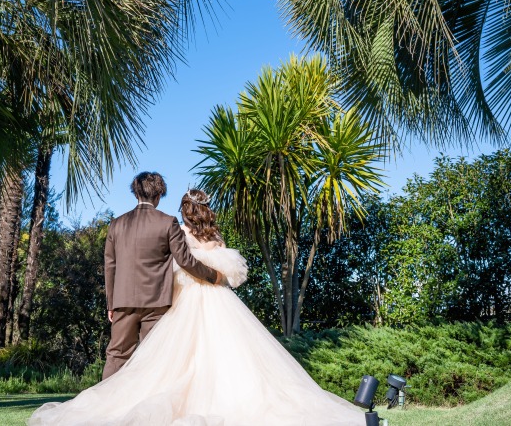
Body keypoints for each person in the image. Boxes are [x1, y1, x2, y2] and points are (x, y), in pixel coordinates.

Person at [29, 188, 364, 425]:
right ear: (206, 211)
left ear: (185, 210)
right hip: (219, 303)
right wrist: (215, 277)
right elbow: (228, 272)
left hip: (185, 304)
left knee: (168, 361)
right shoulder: (215, 238)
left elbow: (179, 265)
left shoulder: (177, 232)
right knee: (225, 356)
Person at [102, 172, 223, 379]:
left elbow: (110, 265)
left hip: (123, 301)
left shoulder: (116, 224)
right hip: (156, 303)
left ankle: (104, 398)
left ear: (136, 194)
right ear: (159, 196)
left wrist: (111, 303)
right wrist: (213, 276)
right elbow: (185, 260)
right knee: (154, 358)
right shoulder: (168, 222)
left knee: (117, 356)